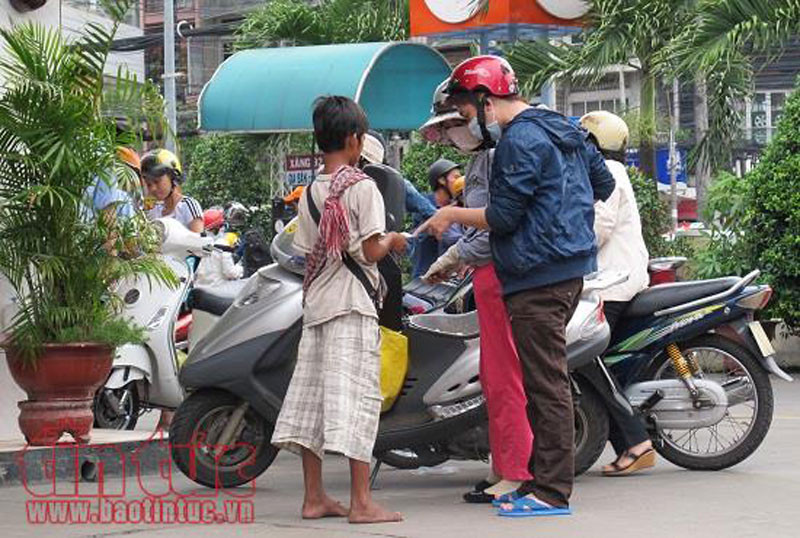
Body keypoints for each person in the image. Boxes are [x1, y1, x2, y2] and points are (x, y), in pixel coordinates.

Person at [422, 56, 615, 517]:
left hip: (536, 274)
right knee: (546, 380)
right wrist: (560, 208)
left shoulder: (519, 141)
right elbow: (602, 184)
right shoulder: (565, 128)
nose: (470, 124)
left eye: (468, 114)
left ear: (487, 102)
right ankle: (545, 484)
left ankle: (550, 492)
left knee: (544, 383)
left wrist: (449, 215)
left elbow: (503, 218)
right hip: (569, 269)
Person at [270, 96, 405, 524]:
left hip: (317, 307)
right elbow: (368, 250)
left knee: (314, 403)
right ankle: (361, 502)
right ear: (354, 141)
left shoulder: (310, 192)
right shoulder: (363, 187)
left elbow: (306, 251)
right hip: (351, 305)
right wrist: (393, 242)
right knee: (356, 402)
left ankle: (315, 497)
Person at [420, 82, 533, 504]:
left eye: (458, 122)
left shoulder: (497, 157)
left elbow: (492, 228)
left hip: (498, 276)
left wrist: (452, 254)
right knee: (493, 376)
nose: (454, 134)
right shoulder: (486, 159)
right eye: (449, 126)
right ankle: (504, 467)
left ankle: (517, 471)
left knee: (505, 378)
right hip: (490, 279)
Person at [580, 111, 655, 476]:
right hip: (614, 278)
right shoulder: (611, 171)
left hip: (612, 283)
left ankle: (637, 440)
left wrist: (562, 246)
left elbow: (600, 226)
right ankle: (627, 441)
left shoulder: (607, 173)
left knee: (586, 361)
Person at [141, 149, 204, 233]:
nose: (153, 188)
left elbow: (198, 241)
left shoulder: (188, 205)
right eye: (149, 184)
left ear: (172, 178)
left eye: (157, 181)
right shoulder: (153, 209)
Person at [194, 208, 244, 292]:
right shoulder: (222, 245)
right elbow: (231, 273)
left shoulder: (202, 245)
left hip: (199, 288)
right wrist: (241, 267)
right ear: (219, 227)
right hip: (218, 291)